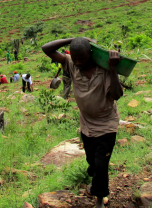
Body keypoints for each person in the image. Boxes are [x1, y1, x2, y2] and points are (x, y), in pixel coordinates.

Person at [42, 37, 123, 208]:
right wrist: (73, 39)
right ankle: (95, 174)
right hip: (86, 124)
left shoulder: (104, 67)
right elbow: (46, 48)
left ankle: (99, 199)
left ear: (91, 54)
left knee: (101, 164)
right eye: (76, 57)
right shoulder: (71, 64)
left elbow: (116, 95)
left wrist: (113, 69)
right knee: (92, 161)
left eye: (83, 58)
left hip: (106, 123)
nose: (78, 62)